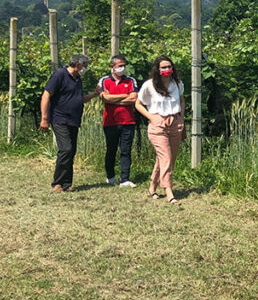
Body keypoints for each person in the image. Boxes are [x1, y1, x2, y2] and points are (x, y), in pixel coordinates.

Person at [39, 54, 101, 193]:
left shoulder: (77, 79)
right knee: (65, 149)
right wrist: (44, 118)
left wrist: (93, 95)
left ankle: (67, 183)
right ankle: (57, 183)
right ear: (78, 65)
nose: (85, 69)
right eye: (84, 66)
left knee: (71, 151)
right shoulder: (59, 75)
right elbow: (46, 95)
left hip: (74, 120)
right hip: (59, 119)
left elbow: (79, 99)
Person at [134, 56, 186, 204]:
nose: (167, 70)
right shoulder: (149, 85)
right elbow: (138, 104)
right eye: (163, 67)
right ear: (157, 69)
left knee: (168, 159)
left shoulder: (177, 84)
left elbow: (181, 100)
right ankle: (168, 190)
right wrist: (151, 117)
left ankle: (152, 186)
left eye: (169, 66)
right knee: (166, 157)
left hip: (174, 122)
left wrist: (181, 118)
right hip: (157, 123)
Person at [97, 54, 138, 187]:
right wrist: (124, 97)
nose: (122, 68)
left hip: (128, 122)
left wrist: (113, 98)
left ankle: (125, 179)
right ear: (112, 67)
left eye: (124, 66)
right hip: (110, 122)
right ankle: (110, 176)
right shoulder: (104, 80)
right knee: (111, 149)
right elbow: (105, 98)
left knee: (126, 150)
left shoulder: (131, 80)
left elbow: (133, 99)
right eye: (120, 66)